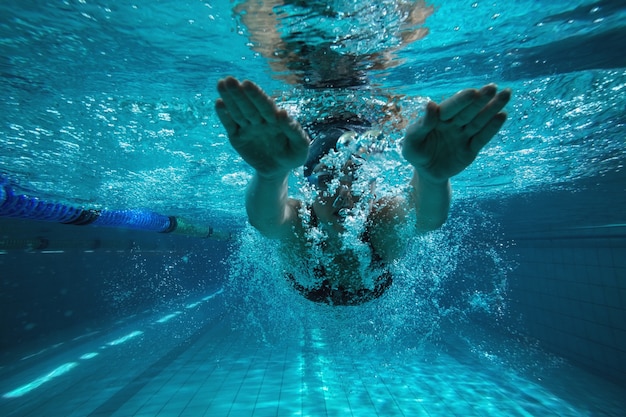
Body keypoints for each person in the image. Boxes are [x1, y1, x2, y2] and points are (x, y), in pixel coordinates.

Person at [215, 1, 512, 306]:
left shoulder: (357, 228)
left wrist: (271, 173)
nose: (343, 194)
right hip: (335, 278)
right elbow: (268, 219)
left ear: (373, 183)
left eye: (355, 176)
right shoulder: (320, 231)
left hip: (341, 278)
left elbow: (266, 220)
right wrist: (432, 178)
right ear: (309, 186)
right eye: (327, 177)